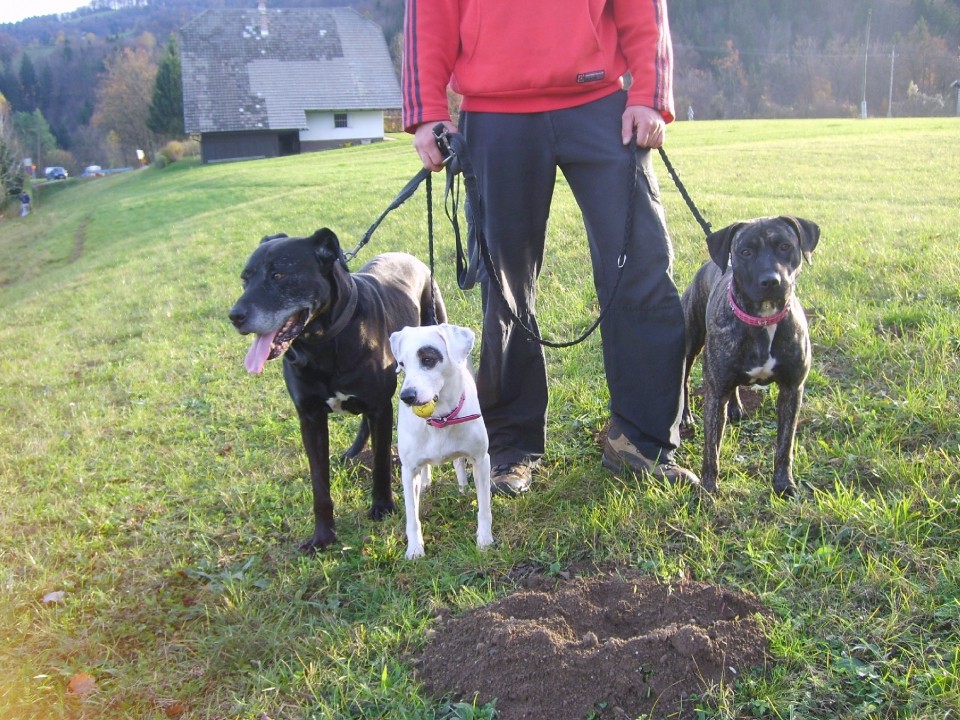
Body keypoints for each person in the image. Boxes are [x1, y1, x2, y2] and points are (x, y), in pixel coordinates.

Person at [402, 0, 699, 495]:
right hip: (495, 113)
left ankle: (641, 443)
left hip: (600, 102)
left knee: (641, 268)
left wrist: (649, 92)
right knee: (505, 286)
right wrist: (427, 112)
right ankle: (509, 447)